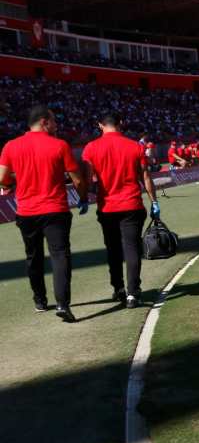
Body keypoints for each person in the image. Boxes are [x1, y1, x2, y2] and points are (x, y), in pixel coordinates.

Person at [0, 105, 88, 321]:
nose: (56, 125)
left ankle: (40, 300)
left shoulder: (11, 146)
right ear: (43, 122)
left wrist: (13, 182)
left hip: (26, 211)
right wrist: (84, 197)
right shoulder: (59, 145)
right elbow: (76, 179)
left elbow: (2, 178)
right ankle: (62, 304)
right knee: (60, 255)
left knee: (33, 256)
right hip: (54, 209)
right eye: (54, 121)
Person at [82, 111, 159, 309]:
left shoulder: (91, 148)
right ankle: (133, 293)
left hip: (107, 207)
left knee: (113, 250)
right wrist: (154, 202)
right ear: (121, 123)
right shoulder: (135, 146)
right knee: (132, 248)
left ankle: (118, 288)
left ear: (100, 125)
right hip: (132, 204)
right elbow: (146, 178)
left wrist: (90, 193)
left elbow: (90, 181)